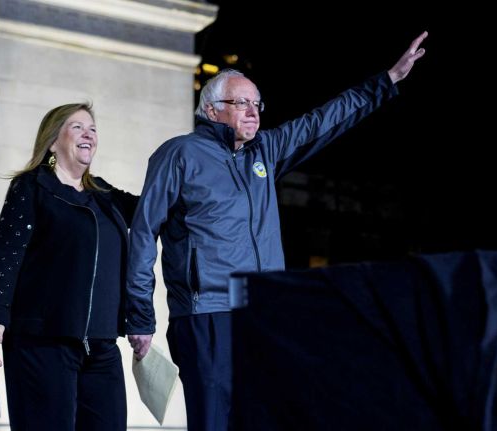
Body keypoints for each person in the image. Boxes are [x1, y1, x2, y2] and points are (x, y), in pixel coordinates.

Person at [126, 32, 429, 430]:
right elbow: (144, 233)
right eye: (242, 103)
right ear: (212, 109)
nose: (253, 112)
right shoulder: (180, 154)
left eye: (257, 104)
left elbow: (322, 121)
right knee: (213, 421)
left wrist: (385, 81)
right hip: (207, 312)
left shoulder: (263, 151)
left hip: (260, 311)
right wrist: (140, 317)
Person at [0, 103, 138, 431]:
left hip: (102, 343)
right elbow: (8, 251)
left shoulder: (104, 195)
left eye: (92, 128)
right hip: (43, 340)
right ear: (53, 141)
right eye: (77, 126)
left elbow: (155, 208)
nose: (88, 134)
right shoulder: (32, 186)